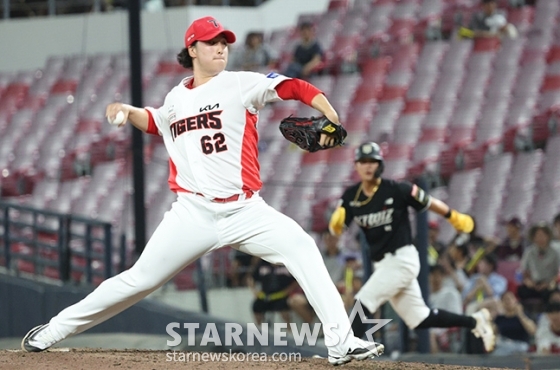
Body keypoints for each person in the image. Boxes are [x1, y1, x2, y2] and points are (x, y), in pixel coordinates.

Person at [20, 16, 383, 366]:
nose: (221, 49)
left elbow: (293, 87)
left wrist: (331, 114)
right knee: (139, 280)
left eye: (224, 43)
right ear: (192, 49)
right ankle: (53, 331)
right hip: (192, 213)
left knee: (302, 247)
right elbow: (157, 121)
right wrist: (128, 110)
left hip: (245, 211)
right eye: (213, 43)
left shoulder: (241, 83)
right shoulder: (176, 97)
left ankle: (341, 343)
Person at [328, 141, 496, 352]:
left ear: (380, 165)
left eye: (373, 161)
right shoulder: (351, 196)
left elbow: (428, 201)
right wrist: (335, 225)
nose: (368, 166)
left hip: (402, 259)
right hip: (383, 265)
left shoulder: (396, 189)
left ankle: (345, 350)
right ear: (357, 166)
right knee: (419, 318)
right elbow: (337, 231)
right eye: (363, 161)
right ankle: (475, 321)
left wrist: (452, 216)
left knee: (365, 298)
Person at [518, 223, 560, 306]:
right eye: (537, 235)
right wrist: (529, 282)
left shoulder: (555, 252)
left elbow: (558, 273)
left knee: (551, 294)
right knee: (522, 291)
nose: (540, 238)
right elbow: (525, 271)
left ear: (548, 236)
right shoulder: (529, 252)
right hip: (534, 284)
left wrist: (548, 284)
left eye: (542, 235)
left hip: (549, 284)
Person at [248, 260, 297, 327]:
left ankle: (289, 329)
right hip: (265, 295)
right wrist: (254, 291)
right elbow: (251, 278)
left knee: (283, 307)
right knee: (256, 306)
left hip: (282, 295)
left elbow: (296, 280)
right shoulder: (262, 264)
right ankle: (259, 329)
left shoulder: (285, 264)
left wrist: (288, 290)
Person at [492, 291, 536, 355]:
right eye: (505, 299)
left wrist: (520, 315)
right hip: (504, 345)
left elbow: (532, 331)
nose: (508, 301)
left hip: (521, 346)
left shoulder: (524, 315)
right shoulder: (499, 318)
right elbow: (493, 333)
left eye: (510, 299)